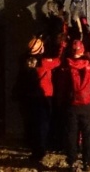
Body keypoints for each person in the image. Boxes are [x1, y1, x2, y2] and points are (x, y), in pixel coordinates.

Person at [13, 35, 66, 163]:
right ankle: (40, 150)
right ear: (40, 49)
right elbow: (58, 61)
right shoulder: (44, 63)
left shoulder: (24, 60)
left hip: (28, 97)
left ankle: (33, 148)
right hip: (43, 97)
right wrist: (62, 46)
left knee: (31, 124)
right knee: (42, 124)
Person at [62, 39, 90, 171]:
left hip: (72, 104)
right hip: (87, 103)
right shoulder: (89, 65)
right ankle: (87, 162)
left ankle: (72, 162)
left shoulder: (66, 66)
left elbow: (62, 87)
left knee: (71, 134)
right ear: (82, 50)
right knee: (87, 134)